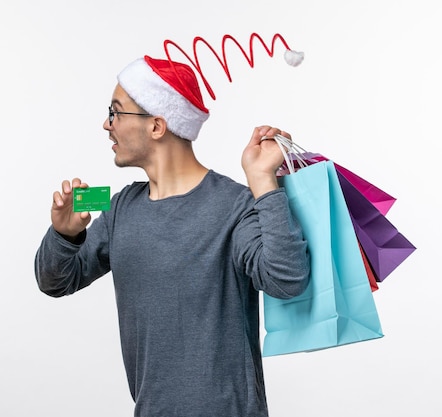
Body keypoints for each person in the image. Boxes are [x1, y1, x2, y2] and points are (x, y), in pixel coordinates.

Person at [34, 55, 310, 417]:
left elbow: (287, 280)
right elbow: (56, 281)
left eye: (116, 112)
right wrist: (64, 235)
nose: (107, 124)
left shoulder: (234, 205)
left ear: (157, 126)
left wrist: (263, 182)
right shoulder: (120, 209)